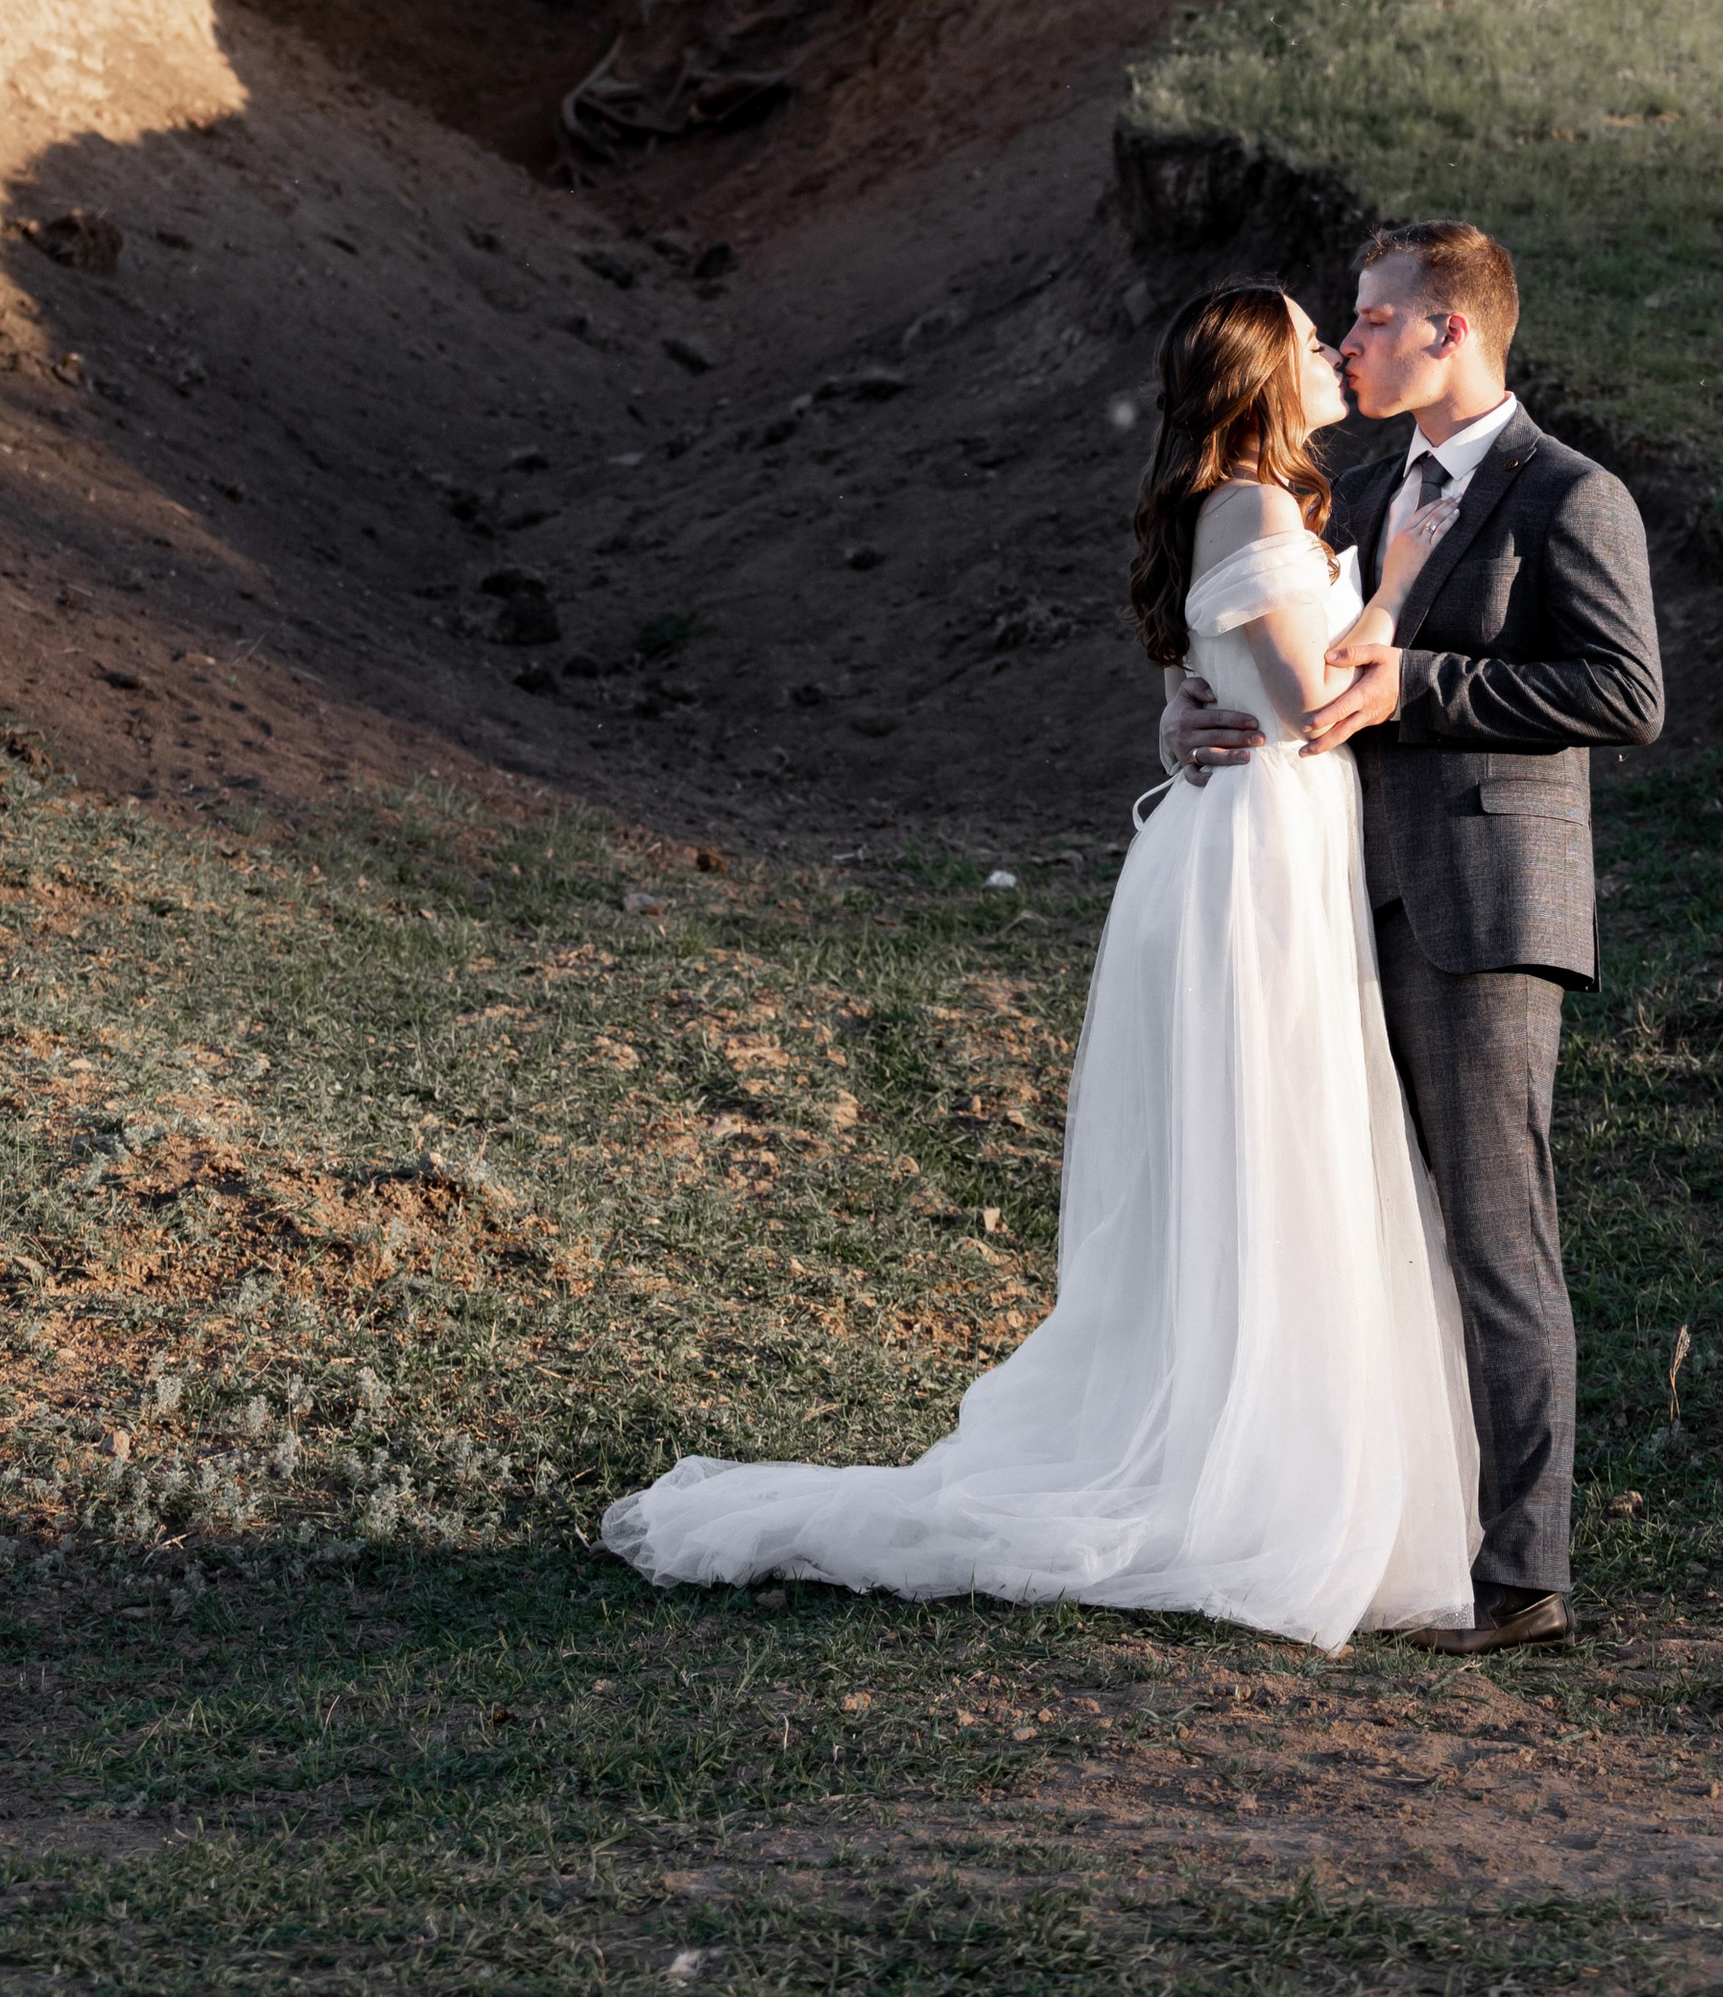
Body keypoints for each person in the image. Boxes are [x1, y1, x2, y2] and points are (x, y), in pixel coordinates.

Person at [601, 283, 1484, 1649]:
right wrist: (1411, 579)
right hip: (1255, 861)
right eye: (1311, 340)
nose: (1331, 356)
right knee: (1269, 1148)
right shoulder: (1251, 507)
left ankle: (1269, 1438)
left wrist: (1184, 704)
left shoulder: (1269, 507)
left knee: (1283, 1149)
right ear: (1262, 377)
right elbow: (1313, 706)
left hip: (1270, 844)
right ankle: (1236, 1468)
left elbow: (1233, 675)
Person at [1164, 219, 1664, 1653]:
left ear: (1451, 331)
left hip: (1485, 904)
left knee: (1500, 1239)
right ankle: (1386, 1529)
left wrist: (1421, 684)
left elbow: (1627, 694)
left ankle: (1524, 1579)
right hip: (1331, 904)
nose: (1351, 344)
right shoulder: (1364, 484)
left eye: (1374, 321)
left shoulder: (1570, 492)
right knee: (1367, 1227)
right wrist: (1191, 710)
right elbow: (1282, 647)